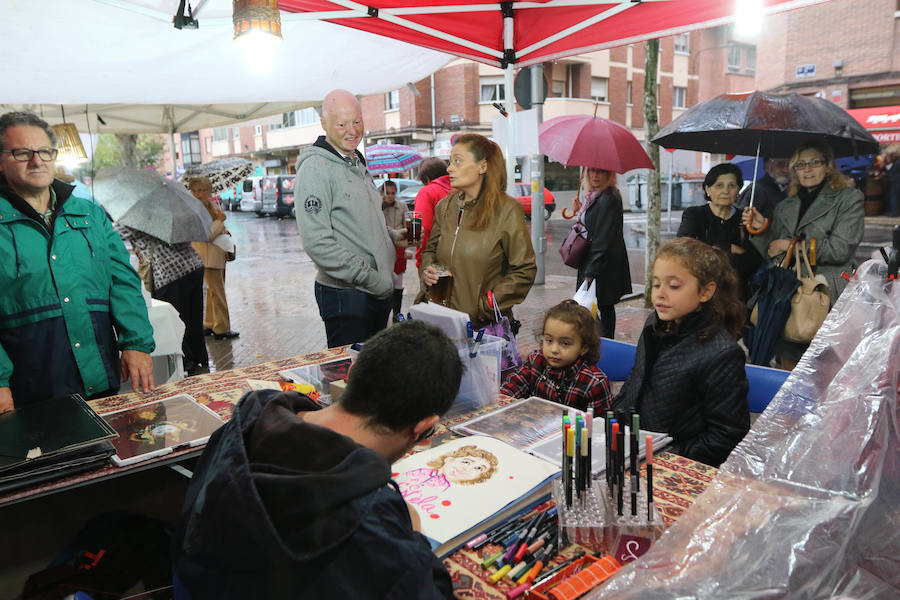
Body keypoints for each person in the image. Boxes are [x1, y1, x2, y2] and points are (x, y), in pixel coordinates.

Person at [171, 320, 463, 599]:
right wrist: (413, 533)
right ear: (423, 427)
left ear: (352, 371)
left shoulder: (249, 420)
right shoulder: (372, 520)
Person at [0, 111, 155, 411]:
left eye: (45, 151)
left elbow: (123, 280)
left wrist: (135, 341)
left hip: (98, 375)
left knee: (115, 451)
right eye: (23, 153)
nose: (37, 161)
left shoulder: (89, 213)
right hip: (29, 387)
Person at [612, 238, 750, 467]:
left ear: (705, 292)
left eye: (674, 286)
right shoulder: (653, 324)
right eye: (656, 284)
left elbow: (726, 436)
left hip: (675, 467)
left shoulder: (722, 353)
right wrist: (612, 424)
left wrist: (665, 457)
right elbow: (637, 380)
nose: (660, 294)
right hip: (633, 452)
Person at [295, 89, 408, 347]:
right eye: (342, 123)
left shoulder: (356, 160)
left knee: (370, 376)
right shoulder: (315, 168)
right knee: (348, 381)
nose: (352, 130)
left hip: (373, 293)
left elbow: (358, 223)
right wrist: (373, 278)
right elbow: (317, 243)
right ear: (324, 125)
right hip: (346, 296)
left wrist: (391, 236)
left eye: (357, 121)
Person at [742, 141, 865, 368]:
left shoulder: (849, 199)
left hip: (826, 294)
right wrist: (760, 230)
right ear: (794, 169)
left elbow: (840, 249)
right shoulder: (785, 205)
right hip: (789, 294)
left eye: (815, 162)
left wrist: (791, 245)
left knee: (824, 367)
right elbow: (776, 253)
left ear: (828, 166)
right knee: (788, 365)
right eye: (800, 164)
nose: (807, 169)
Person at [420, 134, 536, 329]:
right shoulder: (445, 207)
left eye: (457, 161)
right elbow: (430, 251)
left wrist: (486, 306)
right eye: (450, 162)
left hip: (482, 329)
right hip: (439, 321)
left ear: (482, 166)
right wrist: (427, 271)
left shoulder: (506, 210)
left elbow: (524, 271)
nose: (449, 168)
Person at [115, 224, 208, 375]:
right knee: (194, 317)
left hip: (169, 273)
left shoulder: (136, 217)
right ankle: (200, 357)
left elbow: (112, 234)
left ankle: (187, 362)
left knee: (176, 319)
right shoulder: (170, 210)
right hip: (193, 265)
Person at [501, 300, 612, 412]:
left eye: (565, 343)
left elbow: (599, 425)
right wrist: (500, 403)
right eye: (549, 340)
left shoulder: (594, 384)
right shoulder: (535, 361)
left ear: (584, 348)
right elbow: (512, 387)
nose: (554, 350)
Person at [678, 162, 762, 300]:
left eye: (732, 185)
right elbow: (685, 248)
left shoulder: (746, 218)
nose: (725, 191)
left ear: (739, 189)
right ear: (708, 189)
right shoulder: (695, 215)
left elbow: (754, 261)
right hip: (701, 293)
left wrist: (759, 228)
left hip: (738, 296)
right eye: (719, 185)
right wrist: (729, 248)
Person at [575, 168, 632, 338]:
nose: (595, 175)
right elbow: (591, 226)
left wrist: (590, 272)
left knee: (600, 306)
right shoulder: (593, 196)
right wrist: (581, 211)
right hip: (594, 260)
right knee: (596, 306)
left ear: (609, 174)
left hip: (603, 264)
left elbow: (603, 238)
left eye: (601, 171)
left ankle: (604, 343)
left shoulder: (609, 197)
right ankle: (602, 342)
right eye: (591, 170)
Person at [189, 176, 239, 340]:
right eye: (195, 190)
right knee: (218, 293)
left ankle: (210, 324)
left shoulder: (210, 205)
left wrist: (223, 229)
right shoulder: (196, 209)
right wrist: (219, 221)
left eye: (202, 190)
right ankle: (221, 329)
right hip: (208, 255)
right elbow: (206, 234)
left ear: (209, 191)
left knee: (213, 292)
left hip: (215, 254)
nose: (198, 194)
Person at [413, 157, 451, 269]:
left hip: (435, 260)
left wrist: (421, 262)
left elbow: (423, 229)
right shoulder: (459, 189)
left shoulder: (427, 192)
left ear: (427, 179)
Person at [381, 180, 407, 322]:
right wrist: (381, 205)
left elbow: (407, 229)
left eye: (393, 193)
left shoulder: (402, 207)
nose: (390, 196)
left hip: (398, 250)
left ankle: (397, 313)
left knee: (398, 282)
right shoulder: (377, 207)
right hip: (383, 251)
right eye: (387, 193)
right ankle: (385, 312)